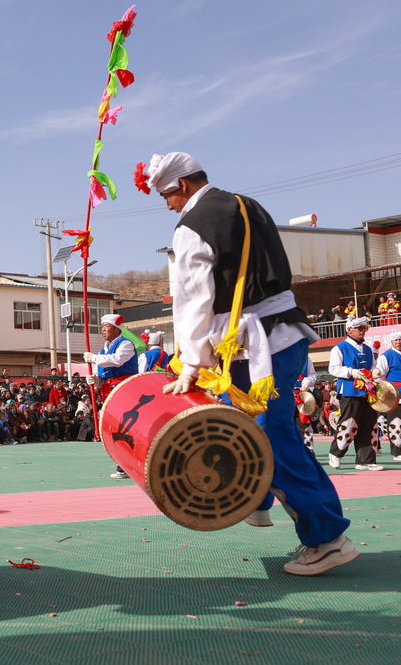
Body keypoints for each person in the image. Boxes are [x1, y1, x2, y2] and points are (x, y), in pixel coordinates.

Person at [147, 151, 355, 576]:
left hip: (256, 348)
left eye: (166, 196)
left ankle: (326, 537)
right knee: (270, 432)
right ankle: (259, 502)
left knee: (270, 438)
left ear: (182, 186)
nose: (167, 205)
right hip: (285, 333)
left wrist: (189, 364)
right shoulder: (247, 204)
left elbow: (193, 303)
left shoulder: (191, 226)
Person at [83, 313, 137, 478]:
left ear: (116, 328)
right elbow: (103, 375)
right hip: (109, 392)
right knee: (114, 427)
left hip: (124, 390)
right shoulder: (103, 350)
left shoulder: (125, 344)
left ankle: (127, 463)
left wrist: (94, 358)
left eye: (106, 326)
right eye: (102, 326)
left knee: (125, 426)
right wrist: (95, 379)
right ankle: (122, 462)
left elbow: (117, 360)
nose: (103, 330)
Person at [328, 317, 381, 471]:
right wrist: (351, 371)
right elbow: (333, 369)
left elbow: (372, 367)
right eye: (360, 328)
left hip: (368, 392)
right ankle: (335, 453)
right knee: (349, 423)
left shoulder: (368, 349)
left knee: (370, 424)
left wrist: (375, 372)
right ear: (349, 330)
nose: (363, 331)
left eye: (365, 328)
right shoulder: (339, 348)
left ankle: (366, 460)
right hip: (350, 390)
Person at [374, 330, 401, 462]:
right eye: (396, 340)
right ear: (391, 342)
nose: (398, 342)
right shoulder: (386, 356)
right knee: (395, 422)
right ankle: (397, 451)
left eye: (400, 339)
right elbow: (380, 376)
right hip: (395, 394)